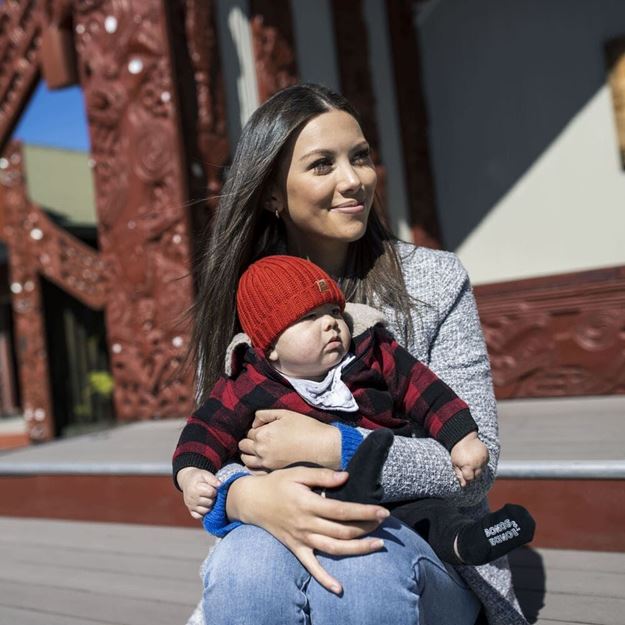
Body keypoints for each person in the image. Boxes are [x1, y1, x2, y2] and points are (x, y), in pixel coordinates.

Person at [179, 83, 528, 625]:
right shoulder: (244, 301)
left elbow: (477, 470)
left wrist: (334, 446)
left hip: (425, 547)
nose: (354, 181)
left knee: (363, 567)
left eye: (359, 157)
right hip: (277, 532)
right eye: (322, 165)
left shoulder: (434, 281)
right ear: (272, 192)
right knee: (242, 568)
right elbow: (212, 447)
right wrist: (245, 499)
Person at [174, 254, 534, 567]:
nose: (330, 323)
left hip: (390, 490)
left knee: (427, 516)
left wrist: (462, 437)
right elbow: (206, 430)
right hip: (307, 502)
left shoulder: (371, 353)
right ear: (270, 347)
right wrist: (192, 475)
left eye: (333, 311)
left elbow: (424, 389)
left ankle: (468, 541)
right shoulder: (247, 383)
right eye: (309, 317)